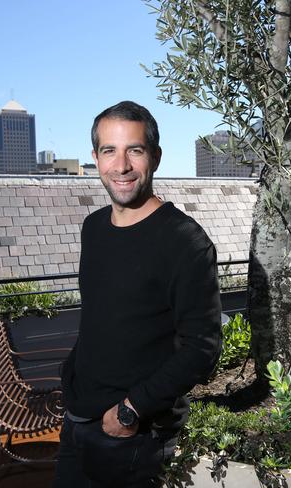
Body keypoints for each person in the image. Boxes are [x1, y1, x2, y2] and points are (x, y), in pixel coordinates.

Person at [53, 100, 222, 488]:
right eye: (109, 150)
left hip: (132, 435)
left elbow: (203, 348)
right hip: (76, 420)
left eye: (135, 150)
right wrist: (71, 376)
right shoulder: (93, 228)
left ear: (155, 157)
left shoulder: (185, 242)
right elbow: (100, 316)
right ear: (95, 158)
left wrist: (131, 411)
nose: (122, 165)